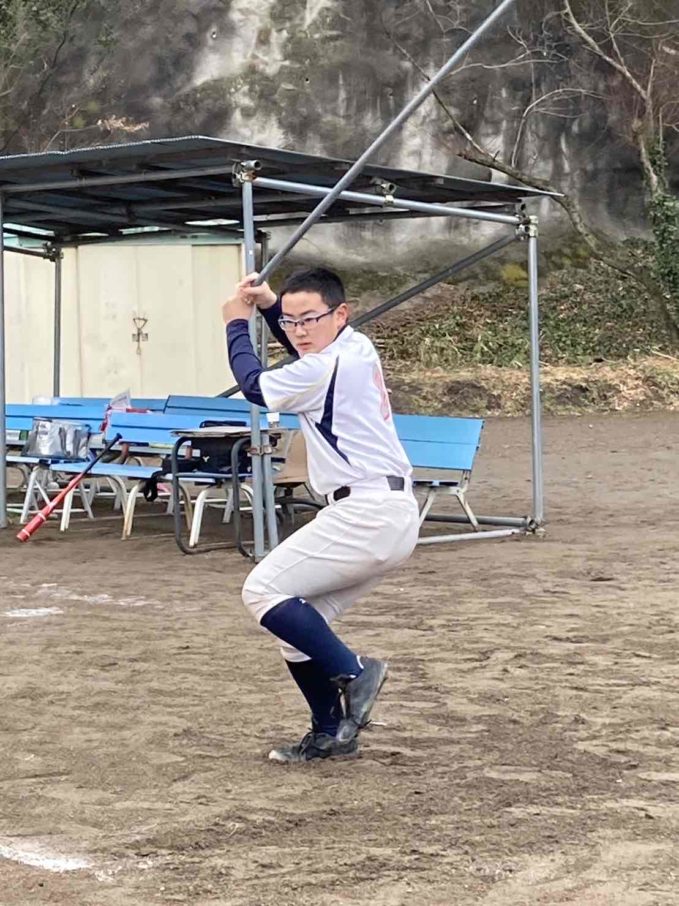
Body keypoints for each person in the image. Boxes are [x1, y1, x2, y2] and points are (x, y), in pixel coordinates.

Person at [222, 267, 420, 764]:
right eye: (292, 322)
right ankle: (332, 733)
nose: (299, 330)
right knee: (295, 628)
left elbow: (255, 386)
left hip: (366, 511)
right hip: (388, 512)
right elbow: (303, 348)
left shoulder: (324, 366)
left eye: (310, 318)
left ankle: (356, 671)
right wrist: (271, 306)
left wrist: (235, 323)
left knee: (261, 591)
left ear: (341, 314)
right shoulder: (356, 346)